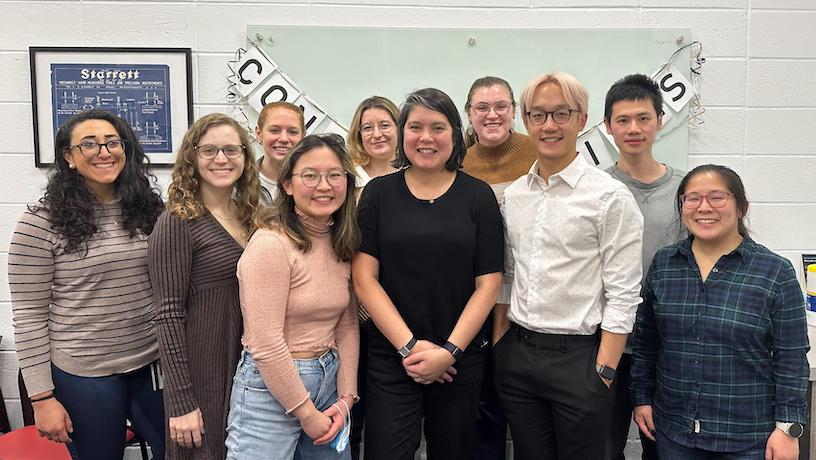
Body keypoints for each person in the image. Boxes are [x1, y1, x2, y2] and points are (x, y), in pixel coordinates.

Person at [494, 72, 644, 460]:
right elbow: (509, 279)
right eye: (538, 115)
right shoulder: (515, 195)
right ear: (525, 122)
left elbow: (624, 293)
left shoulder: (609, 197)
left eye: (561, 113)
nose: (549, 125)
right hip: (519, 355)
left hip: (581, 361)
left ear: (582, 119)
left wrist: (605, 371)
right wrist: (500, 349)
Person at [353, 87, 504, 460]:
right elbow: (364, 279)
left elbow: (489, 284)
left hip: (459, 359)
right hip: (392, 357)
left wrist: (449, 352)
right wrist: (409, 347)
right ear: (402, 134)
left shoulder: (478, 196)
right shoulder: (377, 194)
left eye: (437, 127)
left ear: (454, 134)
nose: (426, 138)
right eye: (415, 127)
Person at [8, 109, 165, 459]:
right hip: (84, 374)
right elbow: (29, 314)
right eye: (89, 144)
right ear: (69, 156)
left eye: (113, 142)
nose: (104, 152)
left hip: (152, 363)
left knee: (180, 450)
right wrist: (42, 398)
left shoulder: (149, 210)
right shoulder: (40, 222)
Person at [631, 164, 809, 460]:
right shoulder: (665, 264)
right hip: (674, 431)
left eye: (717, 197)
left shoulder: (775, 272)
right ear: (682, 205)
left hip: (748, 438)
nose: (704, 207)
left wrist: (788, 428)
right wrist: (641, 398)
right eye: (692, 198)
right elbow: (646, 342)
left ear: (741, 207)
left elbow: (791, 359)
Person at [226, 133, 360, 459]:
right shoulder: (271, 244)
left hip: (329, 381)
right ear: (287, 184)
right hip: (270, 389)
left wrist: (346, 398)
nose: (324, 186)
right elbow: (265, 342)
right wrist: (305, 411)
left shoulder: (341, 240)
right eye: (310, 175)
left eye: (334, 175)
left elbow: (346, 325)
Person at [149, 113, 259, 459]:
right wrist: (181, 402)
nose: (221, 159)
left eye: (230, 149)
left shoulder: (253, 215)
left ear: (245, 156)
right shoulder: (178, 221)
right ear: (191, 158)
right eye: (209, 150)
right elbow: (167, 315)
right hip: (204, 370)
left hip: (249, 366)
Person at [602, 73, 685, 460]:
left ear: (660, 120)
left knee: (664, 449)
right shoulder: (594, 188)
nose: (633, 129)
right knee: (603, 446)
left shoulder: (689, 193)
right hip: (606, 344)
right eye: (622, 120)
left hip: (669, 348)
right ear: (607, 127)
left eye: (643, 118)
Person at [461, 76, 536, 460]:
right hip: (474, 295)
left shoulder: (540, 152)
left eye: (501, 106)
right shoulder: (456, 161)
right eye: (482, 108)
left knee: (525, 408)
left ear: (514, 112)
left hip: (529, 295)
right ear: (469, 114)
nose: (492, 115)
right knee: (482, 404)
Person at [345, 95, 400, 460]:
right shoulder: (347, 183)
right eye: (368, 127)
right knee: (356, 413)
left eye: (385, 125)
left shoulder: (422, 176)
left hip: (408, 310)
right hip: (359, 318)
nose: (377, 134)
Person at [255, 101, 305, 205]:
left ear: (303, 137)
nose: (284, 139)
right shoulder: (240, 183)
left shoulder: (313, 184)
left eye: (292, 132)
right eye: (274, 130)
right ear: (259, 134)